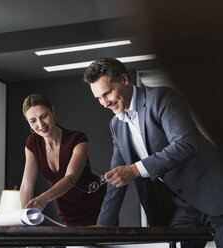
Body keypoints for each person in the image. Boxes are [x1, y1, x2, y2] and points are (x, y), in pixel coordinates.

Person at [83, 57, 223, 247]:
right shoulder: (116, 125)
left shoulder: (162, 98)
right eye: (98, 98)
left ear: (125, 80)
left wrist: (135, 170)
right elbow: (116, 178)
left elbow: (185, 143)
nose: (104, 103)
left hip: (213, 193)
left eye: (107, 93)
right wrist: (102, 225)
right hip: (180, 207)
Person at [19, 93, 106, 226]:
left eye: (44, 116)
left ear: (52, 111)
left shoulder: (78, 139)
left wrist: (44, 198)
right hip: (68, 212)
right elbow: (26, 185)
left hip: (96, 207)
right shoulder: (32, 143)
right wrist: (25, 220)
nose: (40, 124)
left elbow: (71, 178)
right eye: (33, 120)